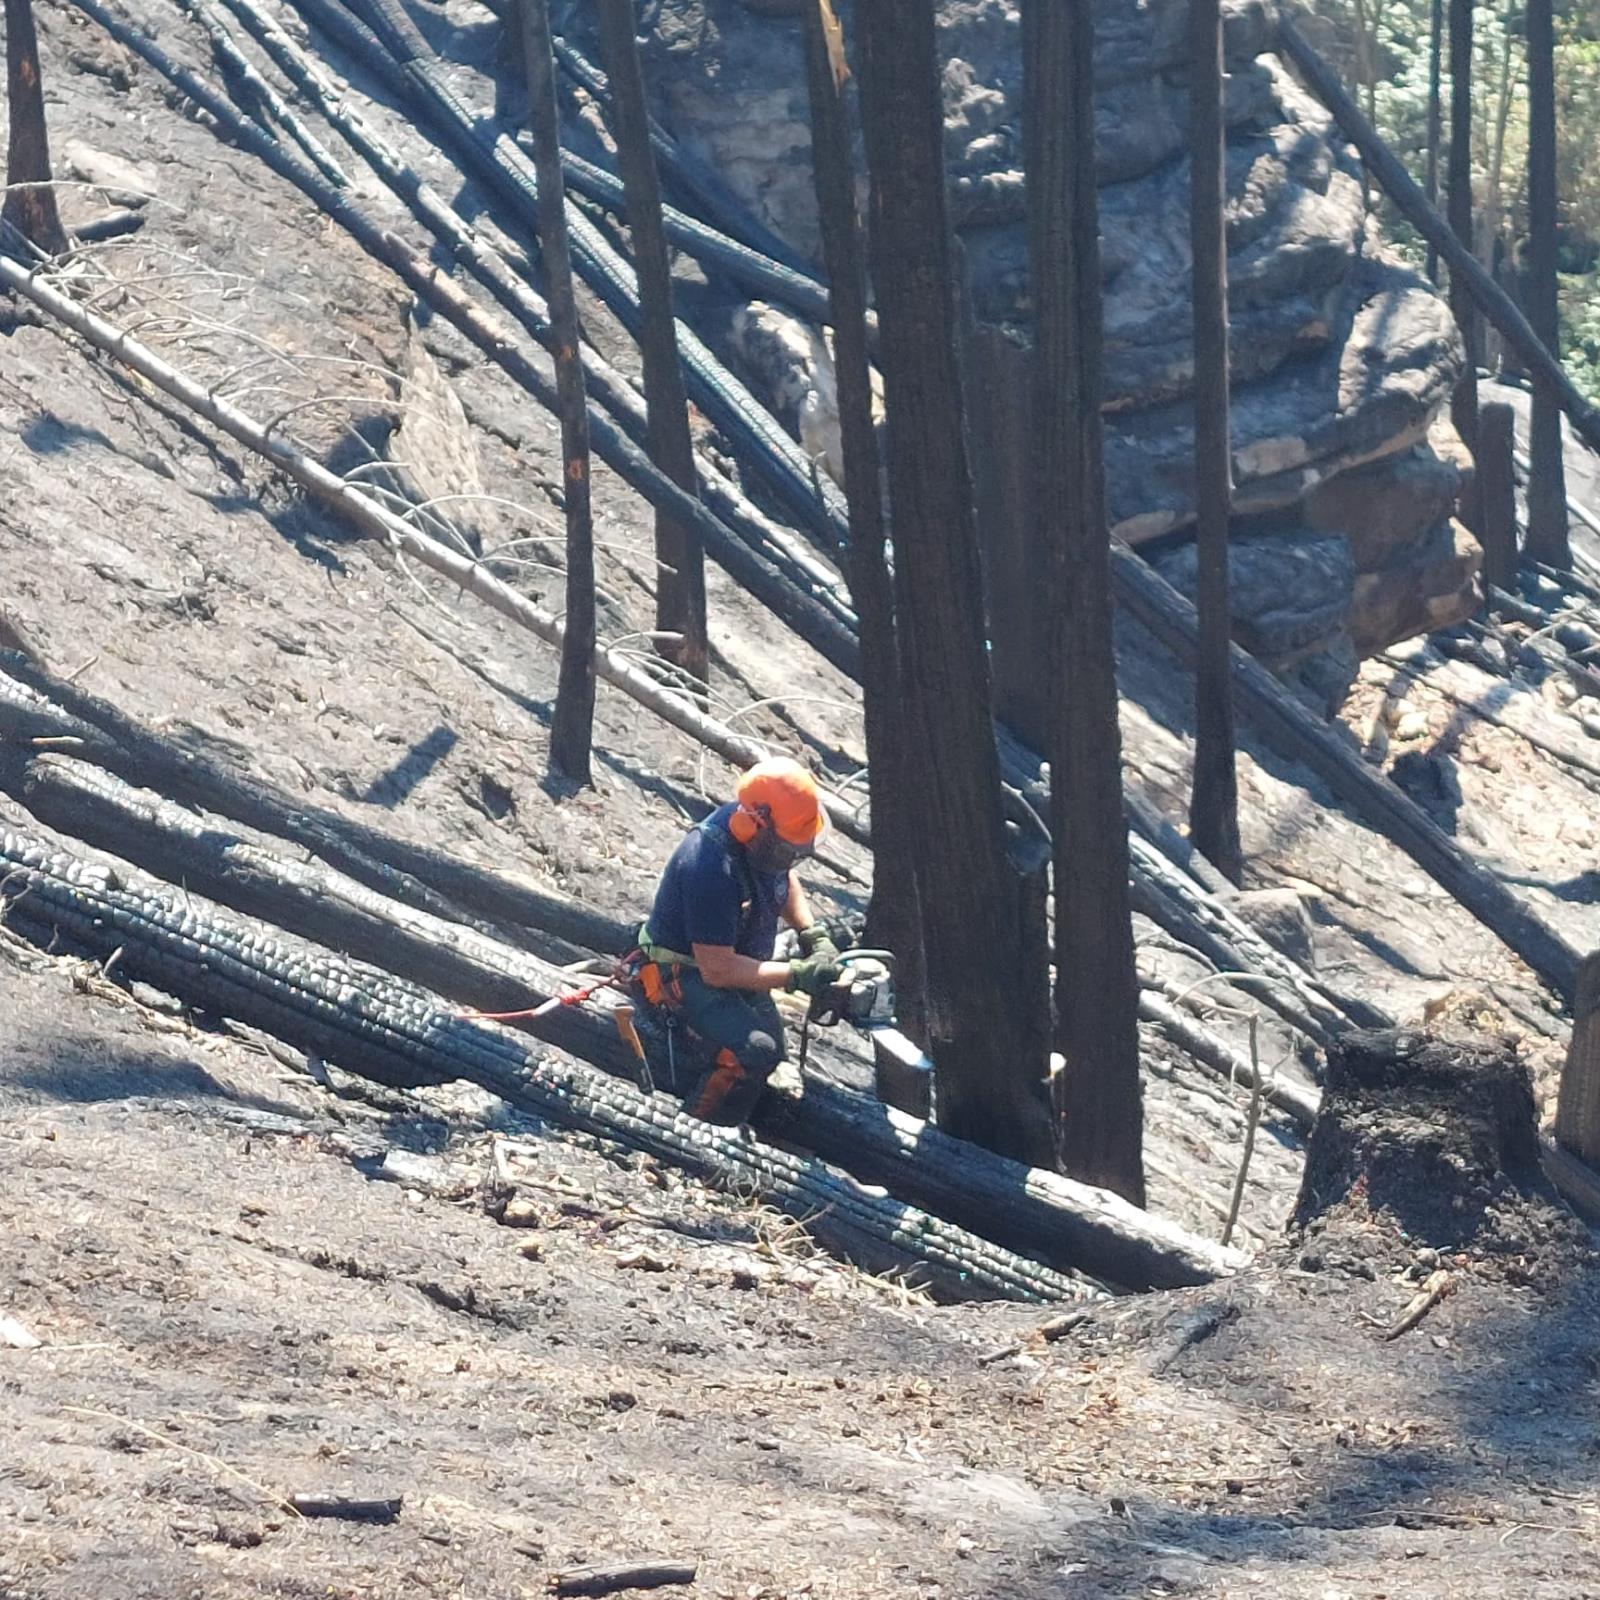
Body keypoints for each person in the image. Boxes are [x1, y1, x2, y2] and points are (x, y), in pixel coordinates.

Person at [636, 756, 843, 1125]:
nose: (789, 859)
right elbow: (717, 970)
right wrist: (797, 975)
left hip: (731, 964)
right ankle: (700, 1128)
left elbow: (784, 880)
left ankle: (738, 1114)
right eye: (785, 851)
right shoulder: (709, 865)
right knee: (755, 1052)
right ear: (755, 822)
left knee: (775, 1048)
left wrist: (812, 933)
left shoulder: (767, 849)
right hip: (681, 973)